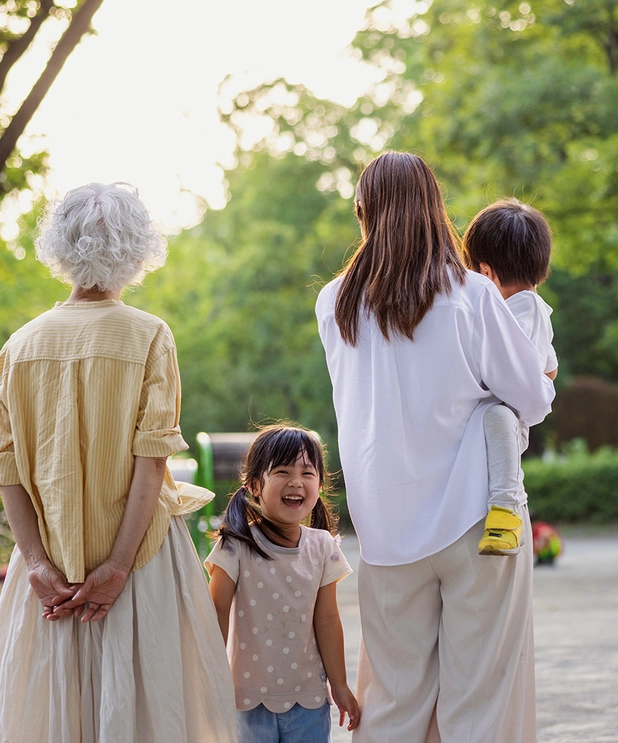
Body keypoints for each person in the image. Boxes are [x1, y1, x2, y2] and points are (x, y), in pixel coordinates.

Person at [315, 152, 555, 743]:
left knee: (393, 697)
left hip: (385, 528)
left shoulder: (334, 303)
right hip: (478, 515)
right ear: (434, 207)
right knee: (481, 697)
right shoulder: (474, 295)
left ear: (363, 212)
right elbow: (532, 399)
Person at [0, 182, 236, 741]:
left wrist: (36, 563)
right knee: (149, 712)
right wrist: (117, 568)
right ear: (137, 249)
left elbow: (6, 470)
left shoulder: (18, 347)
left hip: (49, 572)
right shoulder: (150, 335)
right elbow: (151, 464)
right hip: (143, 559)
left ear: (60, 245)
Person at [205, 424, 360, 742]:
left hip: (309, 701)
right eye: (282, 472)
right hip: (246, 701)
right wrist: (210, 677)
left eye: (307, 473)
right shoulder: (236, 545)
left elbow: (327, 619)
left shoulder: (323, 546)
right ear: (254, 485)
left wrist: (339, 684)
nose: (296, 482)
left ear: (320, 484)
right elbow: (216, 611)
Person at [462, 198, 558, 555]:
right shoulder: (530, 306)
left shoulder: (523, 306)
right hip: (496, 421)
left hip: (508, 420)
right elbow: (550, 366)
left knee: (498, 415)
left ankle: (506, 509)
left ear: (485, 273)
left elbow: (516, 368)